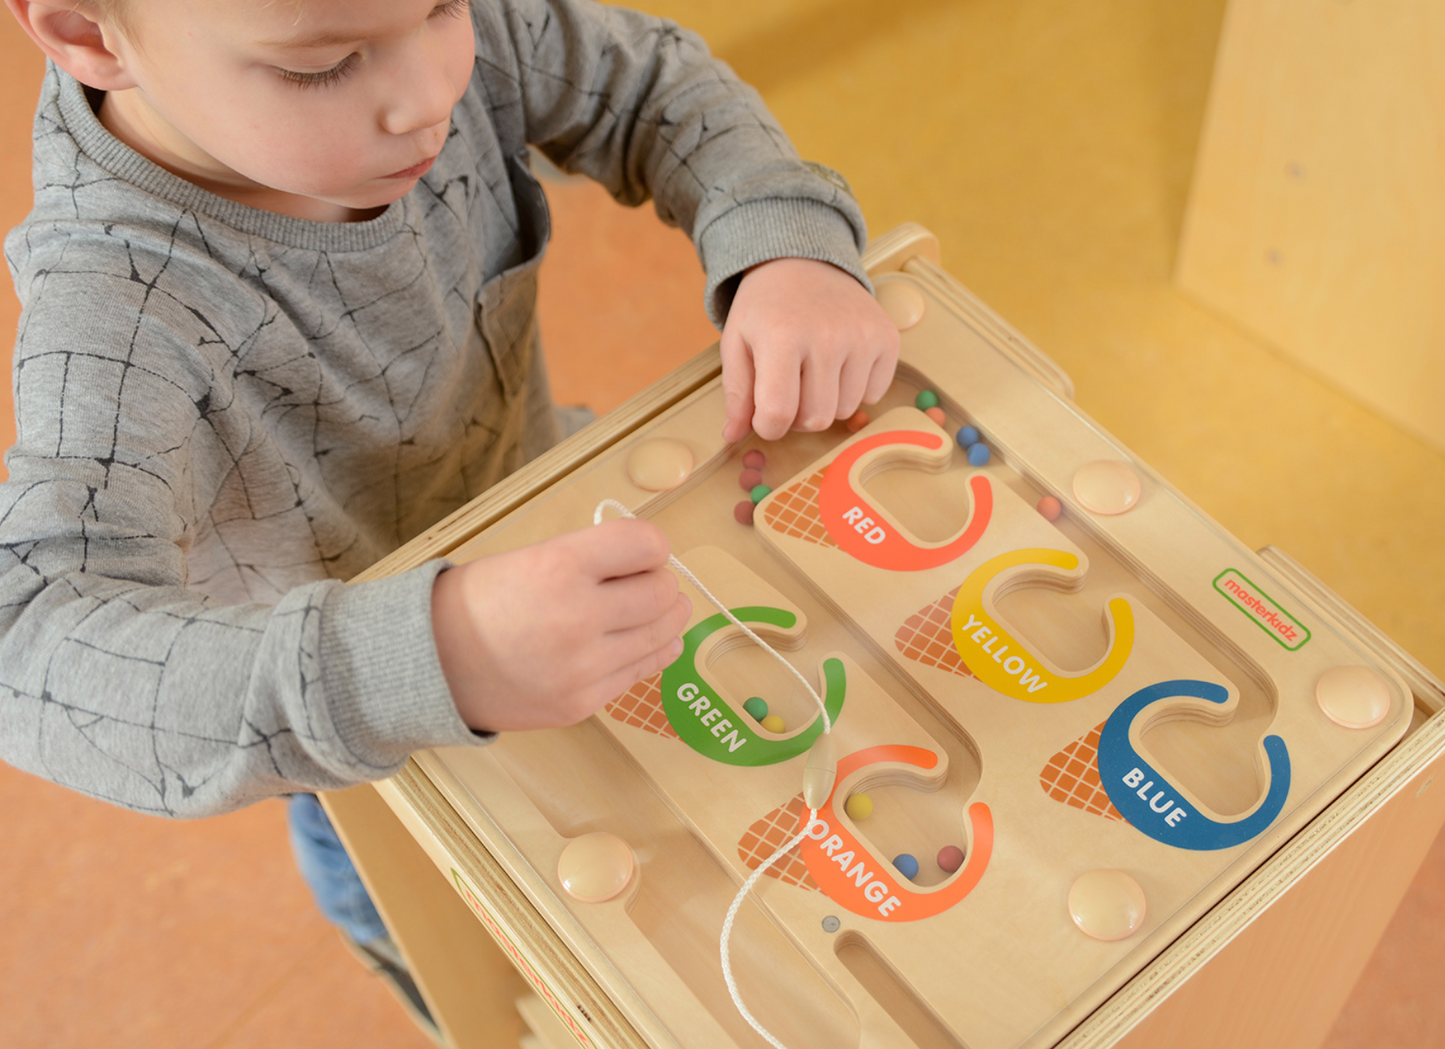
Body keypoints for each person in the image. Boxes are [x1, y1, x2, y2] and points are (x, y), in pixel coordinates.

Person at [0, 0, 898, 1036]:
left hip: (537, 525)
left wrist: (784, 242)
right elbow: (28, 641)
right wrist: (428, 656)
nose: (431, 93)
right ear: (82, 32)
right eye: (325, 66)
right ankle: (393, 947)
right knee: (416, 901)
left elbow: (649, 83)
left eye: (443, 8)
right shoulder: (116, 304)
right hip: (373, 727)